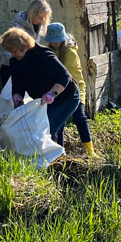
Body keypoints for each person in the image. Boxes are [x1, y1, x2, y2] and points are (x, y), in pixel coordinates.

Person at [0, 27, 79, 145]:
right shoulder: (15, 61)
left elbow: (64, 76)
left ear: (24, 46)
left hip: (66, 97)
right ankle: (58, 158)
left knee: (47, 129)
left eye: (14, 51)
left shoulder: (43, 54)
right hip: (45, 100)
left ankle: (49, 159)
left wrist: (52, 93)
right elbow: (17, 83)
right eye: (10, 52)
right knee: (52, 128)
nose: (12, 54)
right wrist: (17, 96)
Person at [44, 23, 100, 158]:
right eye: (51, 41)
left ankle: (90, 151)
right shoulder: (49, 51)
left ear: (62, 38)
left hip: (75, 89)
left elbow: (67, 76)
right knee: (60, 122)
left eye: (56, 40)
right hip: (58, 89)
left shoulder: (70, 52)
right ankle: (59, 152)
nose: (54, 43)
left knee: (79, 117)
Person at [0, 0, 52, 85]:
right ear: (32, 13)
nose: (42, 20)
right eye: (40, 17)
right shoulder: (16, 26)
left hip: (27, 67)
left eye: (44, 17)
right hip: (11, 68)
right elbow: (9, 52)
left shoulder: (39, 26)